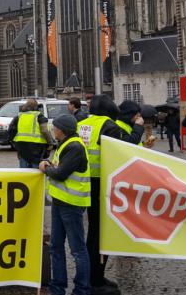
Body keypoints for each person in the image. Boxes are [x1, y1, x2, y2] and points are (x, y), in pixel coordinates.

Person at [39, 114, 91, 295]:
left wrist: (46, 168)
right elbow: (59, 166)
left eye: (55, 128)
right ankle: (57, 286)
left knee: (77, 250)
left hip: (72, 204)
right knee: (55, 246)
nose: (53, 130)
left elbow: (60, 173)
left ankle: (82, 289)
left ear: (61, 130)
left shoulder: (75, 146)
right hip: (60, 202)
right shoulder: (66, 144)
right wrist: (50, 164)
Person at [77, 94, 123, 294]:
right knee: (101, 233)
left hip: (84, 183)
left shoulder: (82, 124)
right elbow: (117, 158)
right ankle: (96, 279)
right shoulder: (110, 126)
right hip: (103, 184)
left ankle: (93, 275)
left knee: (93, 232)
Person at [9, 99, 52, 168]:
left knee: (24, 171)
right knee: (35, 171)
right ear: (36, 107)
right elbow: (44, 131)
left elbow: (11, 130)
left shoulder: (19, 116)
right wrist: (50, 143)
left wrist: (14, 143)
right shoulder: (39, 116)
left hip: (22, 146)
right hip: (37, 147)